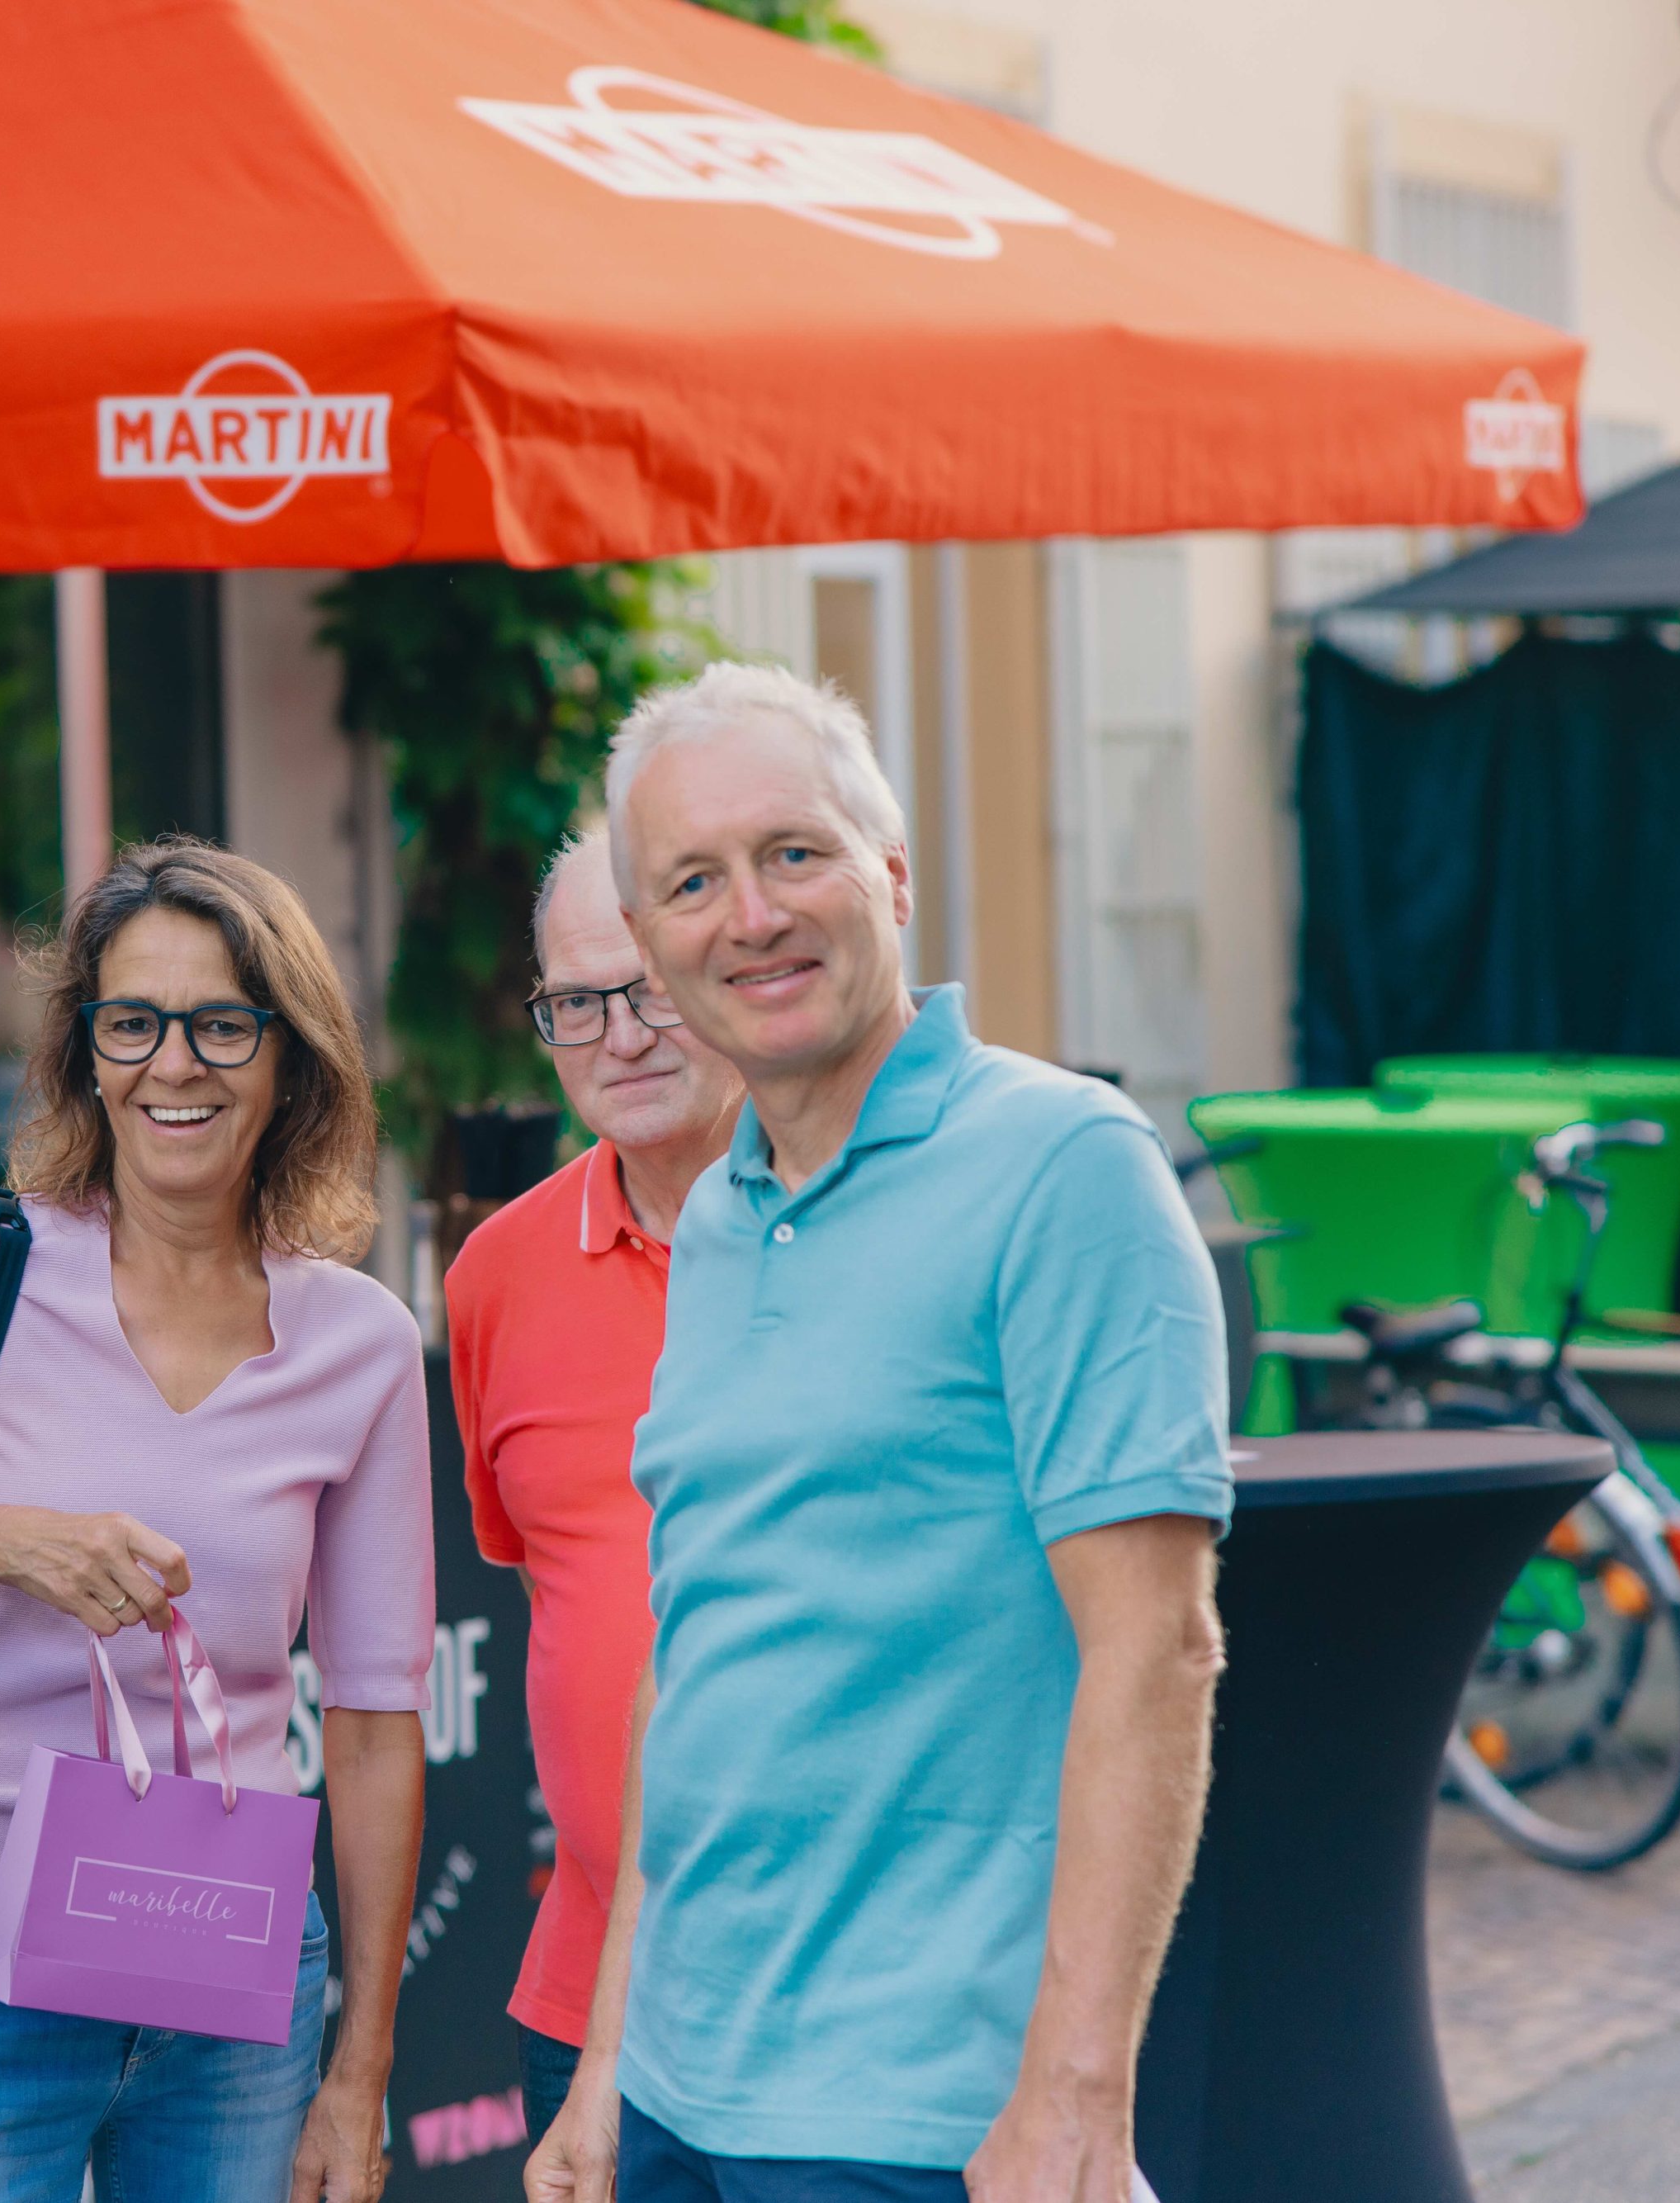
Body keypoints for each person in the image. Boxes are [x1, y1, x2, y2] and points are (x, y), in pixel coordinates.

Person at [528, 664, 1229, 2203]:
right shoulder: (720, 1214)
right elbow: (689, 1648)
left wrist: (1074, 2095)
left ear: (891, 874)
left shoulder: (1066, 1164)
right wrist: (606, 2058)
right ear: (646, 945)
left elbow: (1159, 1647)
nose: (751, 915)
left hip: (923, 2113)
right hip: (679, 2088)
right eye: (692, 883)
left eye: (795, 853)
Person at [0, 839, 433, 2203]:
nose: (174, 1064)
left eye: (221, 1024)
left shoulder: (361, 1342)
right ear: (85, 1050)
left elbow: (378, 1721)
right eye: (132, 1022)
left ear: (289, 1055)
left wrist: (359, 2071)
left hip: (232, 1986)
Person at [445, 822, 741, 2137]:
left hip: (852, 1996)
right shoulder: (496, 1278)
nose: (618, 1037)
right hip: (589, 2011)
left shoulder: (862, 1232)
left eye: (650, 991)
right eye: (576, 1003)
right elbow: (548, 1582)